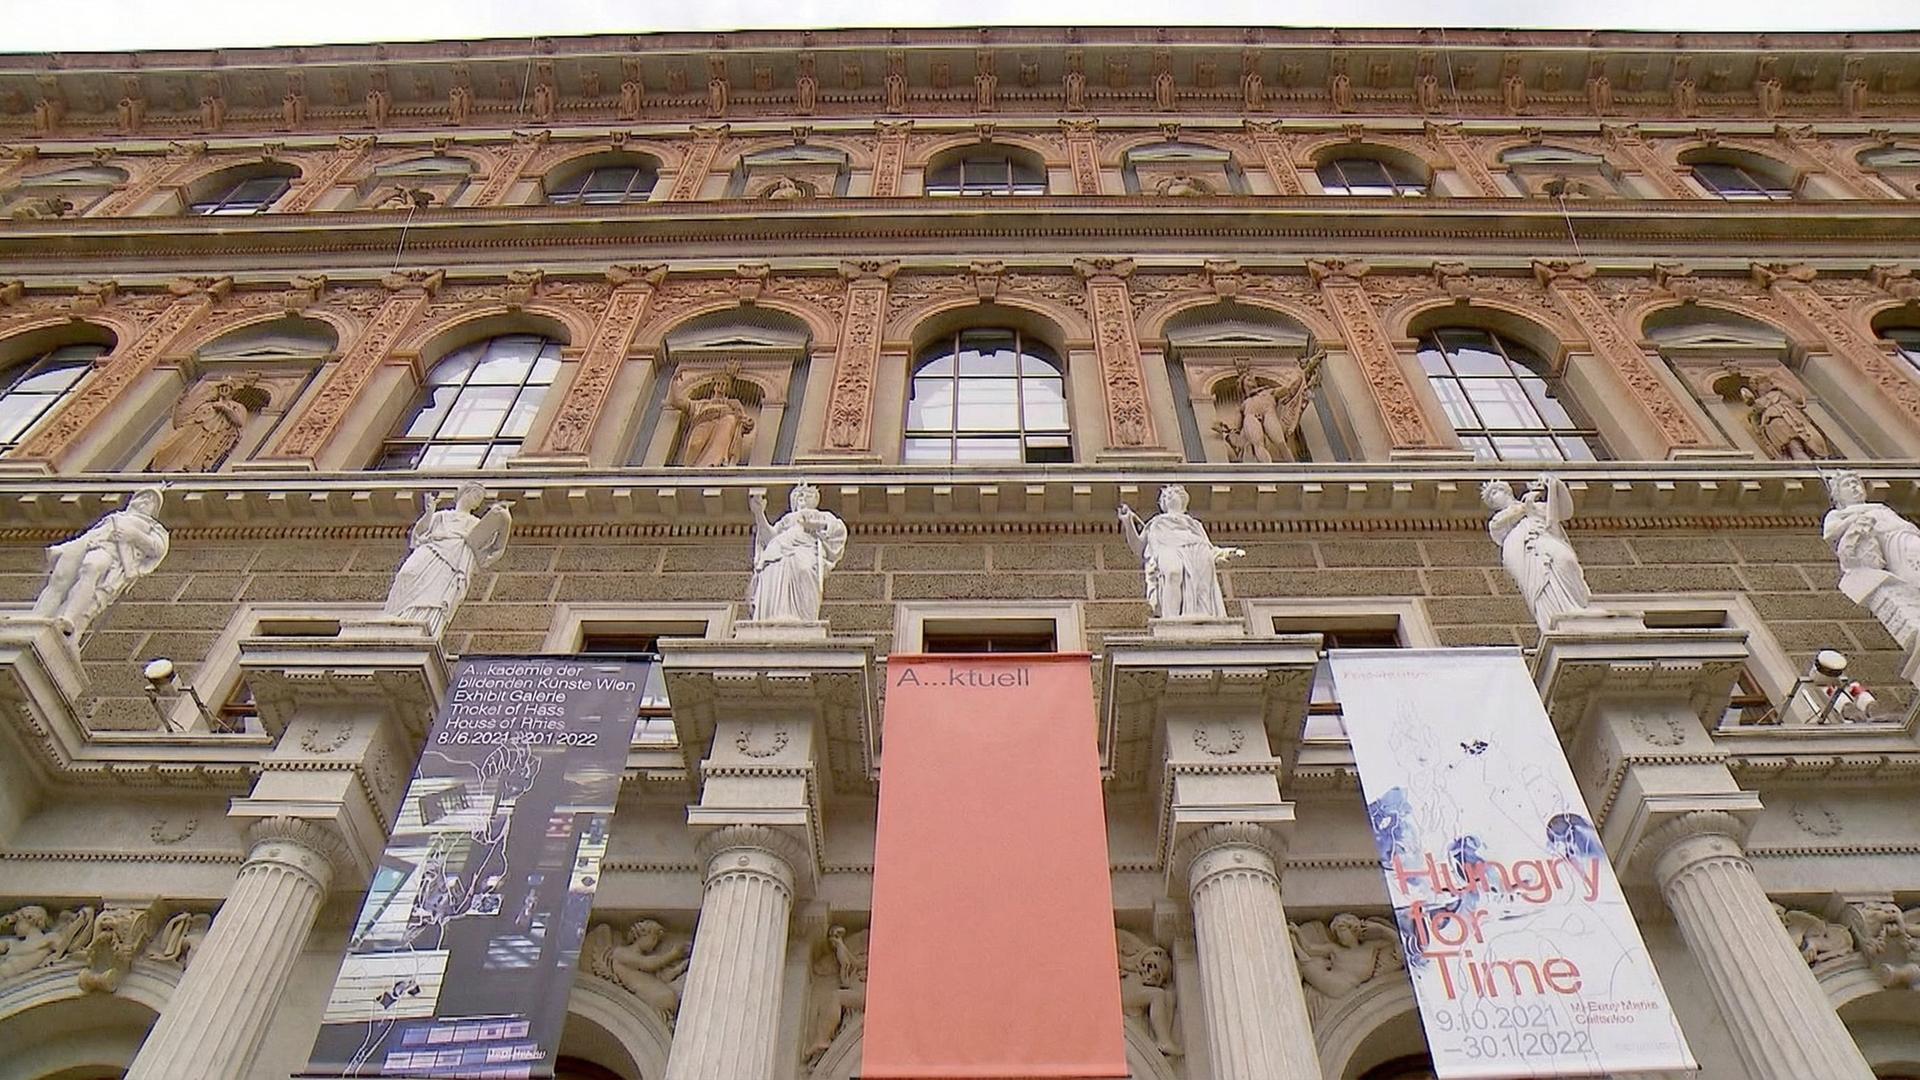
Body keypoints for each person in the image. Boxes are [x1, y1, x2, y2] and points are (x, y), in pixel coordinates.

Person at [30, 487, 170, 637]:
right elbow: (94, 532)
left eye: (151, 501)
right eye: (143, 496)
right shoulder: (116, 517)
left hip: (110, 551)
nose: (145, 501)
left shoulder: (153, 527)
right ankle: (35, 621)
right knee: (59, 579)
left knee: (91, 566)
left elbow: (157, 548)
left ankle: (67, 617)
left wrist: (133, 535)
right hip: (87, 544)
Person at [381, 481, 512, 637]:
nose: (477, 501)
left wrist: (505, 521)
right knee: (406, 574)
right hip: (431, 550)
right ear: (465, 493)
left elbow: (494, 550)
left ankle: (425, 625)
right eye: (476, 496)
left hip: (455, 560)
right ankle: (395, 617)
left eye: (480, 500)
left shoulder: (476, 523)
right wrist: (429, 512)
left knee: (436, 593)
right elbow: (418, 536)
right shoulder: (441, 516)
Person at [1482, 475, 1592, 632]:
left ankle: (1575, 605)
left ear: (1508, 490)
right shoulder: (1498, 520)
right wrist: (1526, 506)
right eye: (1492, 496)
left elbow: (1565, 511)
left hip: (1544, 538)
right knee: (1539, 583)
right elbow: (1502, 524)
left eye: (1498, 490)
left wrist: (1554, 484)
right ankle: (1553, 617)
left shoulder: (1535, 505)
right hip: (1522, 552)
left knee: (1565, 560)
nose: (1496, 495)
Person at [1117, 485, 1244, 619]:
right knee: (1173, 573)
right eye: (1165, 495)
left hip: (1194, 552)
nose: (1169, 496)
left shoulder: (1194, 524)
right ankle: (1171, 618)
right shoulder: (1156, 523)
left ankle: (1195, 615)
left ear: (1183, 499)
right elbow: (1138, 546)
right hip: (1167, 549)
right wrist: (1128, 522)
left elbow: (1208, 548)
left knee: (1201, 587)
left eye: (1174, 493)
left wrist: (1226, 553)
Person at [747, 484, 847, 623]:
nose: (802, 497)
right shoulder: (786, 519)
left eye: (808, 494)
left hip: (805, 550)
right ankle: (773, 618)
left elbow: (838, 529)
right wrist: (759, 514)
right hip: (777, 552)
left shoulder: (821, 515)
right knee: (774, 577)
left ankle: (804, 620)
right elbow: (769, 538)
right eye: (798, 494)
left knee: (805, 570)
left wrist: (815, 525)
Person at [149, 377, 254, 472]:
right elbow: (187, 420)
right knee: (172, 447)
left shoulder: (237, 407)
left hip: (213, 438)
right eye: (222, 387)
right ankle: (165, 466)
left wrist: (224, 408)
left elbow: (239, 422)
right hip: (193, 433)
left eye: (228, 388)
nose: (224, 390)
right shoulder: (207, 405)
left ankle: (188, 469)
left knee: (197, 456)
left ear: (233, 391)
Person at [668, 369, 756, 467]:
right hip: (703, 423)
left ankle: (716, 463)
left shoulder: (733, 403)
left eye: (724, 384)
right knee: (695, 445)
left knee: (727, 426)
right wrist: (674, 381)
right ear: (714, 387)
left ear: (728, 389)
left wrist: (747, 422)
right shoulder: (701, 404)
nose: (721, 386)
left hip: (724, 423)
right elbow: (678, 402)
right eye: (719, 383)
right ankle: (691, 467)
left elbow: (743, 418)